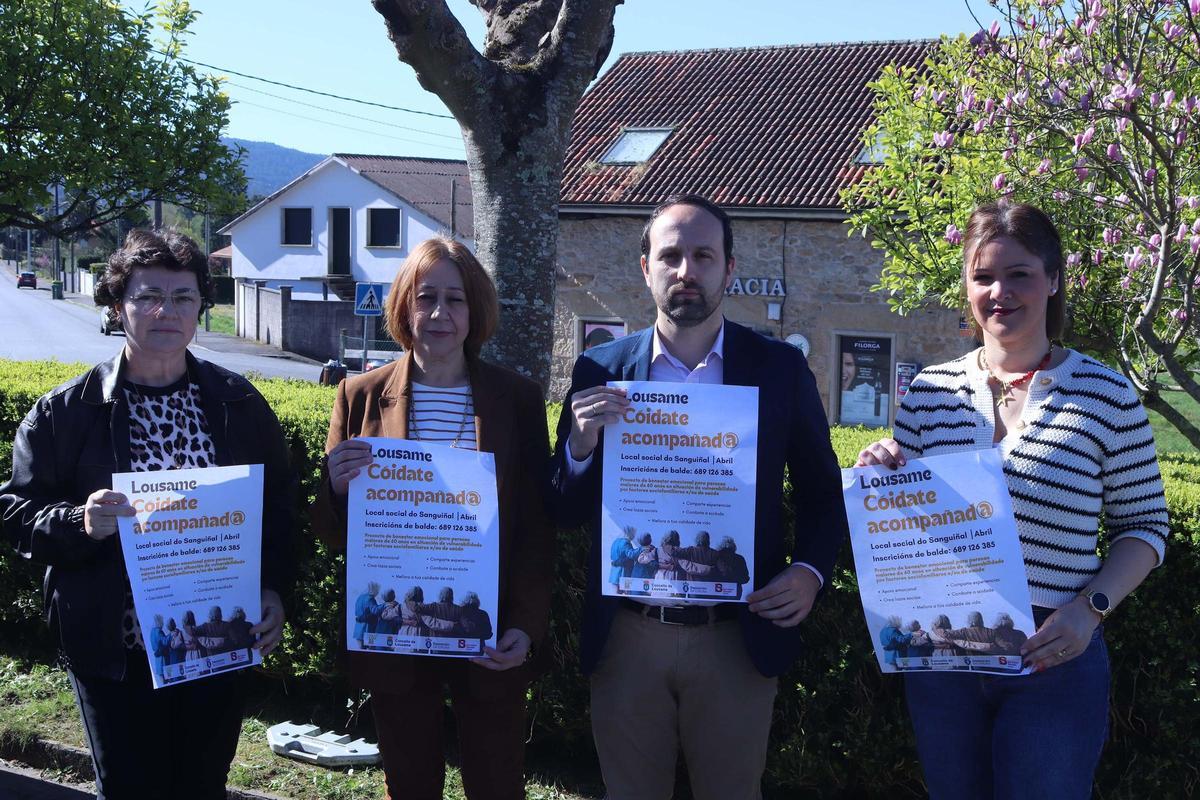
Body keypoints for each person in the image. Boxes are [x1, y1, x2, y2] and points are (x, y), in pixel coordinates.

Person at [856, 200, 1168, 799]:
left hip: (1054, 660)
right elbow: (907, 517)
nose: (1000, 291)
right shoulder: (929, 392)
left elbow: (1146, 525)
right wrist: (883, 470)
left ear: (1053, 279)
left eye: (1019, 273)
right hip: (944, 660)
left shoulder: (1107, 394)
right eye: (983, 276)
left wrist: (1090, 609)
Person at [552, 194, 848, 800]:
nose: (687, 271)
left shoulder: (779, 369)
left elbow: (823, 492)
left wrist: (811, 573)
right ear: (645, 267)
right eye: (671, 255)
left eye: (703, 256)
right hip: (629, 633)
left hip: (736, 634)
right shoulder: (598, 368)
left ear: (729, 268)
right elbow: (562, 509)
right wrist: (579, 447)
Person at [0, 228, 295, 799]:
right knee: (132, 789)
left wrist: (275, 590)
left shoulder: (240, 404)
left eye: (183, 297)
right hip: (116, 649)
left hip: (217, 639)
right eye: (147, 296)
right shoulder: (65, 413)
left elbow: (278, 509)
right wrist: (78, 522)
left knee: (201, 787)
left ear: (201, 308)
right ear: (117, 306)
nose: (166, 310)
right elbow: (14, 513)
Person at [309, 235, 554, 800]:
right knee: (410, 783)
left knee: (496, 785)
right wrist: (337, 487)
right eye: (426, 298)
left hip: (485, 632)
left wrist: (524, 625)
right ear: (403, 306)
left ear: (476, 311)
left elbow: (535, 530)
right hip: (397, 631)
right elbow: (329, 532)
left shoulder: (516, 399)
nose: (440, 313)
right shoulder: (359, 395)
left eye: (456, 299)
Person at [354, 581, 382, 647]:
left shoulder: (360, 597)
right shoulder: (370, 599)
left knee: (360, 650)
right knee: (370, 649)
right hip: (367, 628)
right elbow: (375, 611)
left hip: (358, 628)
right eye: (377, 590)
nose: (378, 592)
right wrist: (384, 606)